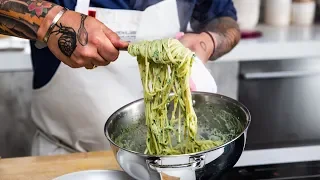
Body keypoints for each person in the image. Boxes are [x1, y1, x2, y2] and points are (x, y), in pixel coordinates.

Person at [0, 0, 240, 156]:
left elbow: (225, 20)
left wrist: (209, 41)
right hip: (65, 160)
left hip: (161, 160)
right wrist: (51, 22)